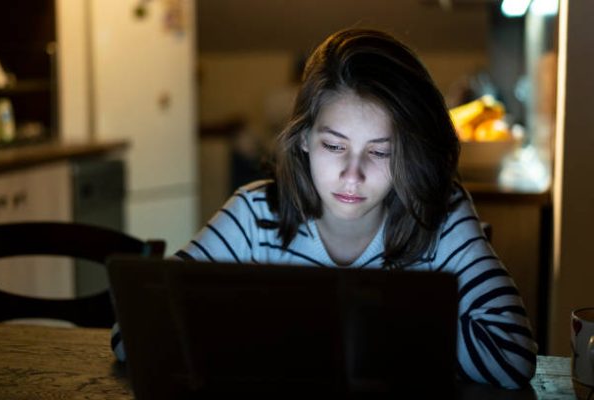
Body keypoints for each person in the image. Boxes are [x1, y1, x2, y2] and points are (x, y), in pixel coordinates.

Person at [112, 28, 537, 389]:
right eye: (334, 146)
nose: (352, 176)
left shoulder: (440, 215)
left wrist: (325, 326)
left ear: (409, 154)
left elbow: (513, 354)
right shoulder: (255, 213)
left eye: (380, 152)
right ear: (302, 138)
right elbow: (133, 333)